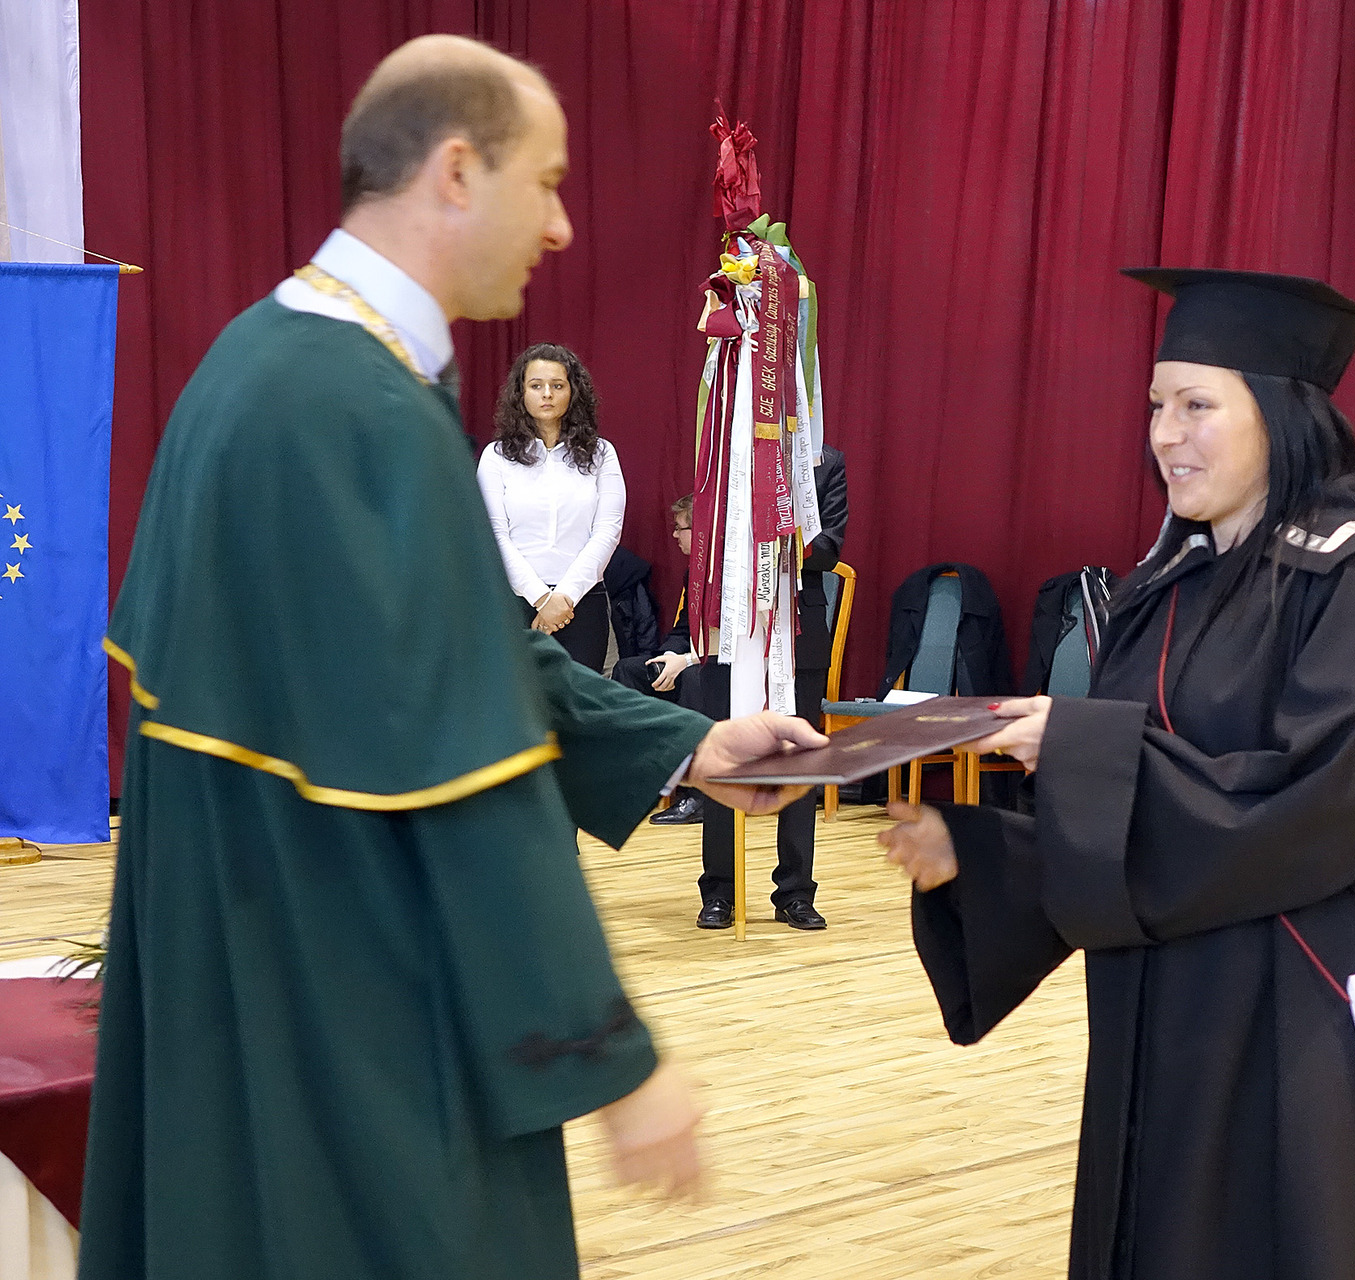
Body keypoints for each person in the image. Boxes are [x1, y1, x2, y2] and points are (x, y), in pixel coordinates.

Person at [80, 37, 824, 1280]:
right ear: (459, 171)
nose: (563, 226)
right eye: (548, 182)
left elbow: (459, 657)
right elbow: (473, 777)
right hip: (343, 993)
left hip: (240, 970)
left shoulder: (261, 361)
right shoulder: (362, 408)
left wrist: (688, 741)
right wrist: (608, 1055)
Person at [881, 268, 1355, 1280]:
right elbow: (1141, 801)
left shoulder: (1352, 576)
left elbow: (1326, 797)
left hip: (1298, 1012)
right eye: (1155, 404)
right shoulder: (1168, 577)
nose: (1163, 433)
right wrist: (984, 858)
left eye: (1196, 405)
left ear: (1281, 416)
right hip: (1168, 999)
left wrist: (1075, 742)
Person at [687, 443, 849, 929]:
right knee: (724, 753)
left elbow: (828, 549)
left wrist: (775, 538)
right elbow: (706, 540)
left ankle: (796, 891)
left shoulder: (825, 461)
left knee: (800, 758)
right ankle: (720, 891)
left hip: (799, 626)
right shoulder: (724, 446)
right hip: (733, 624)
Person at [478, 342, 623, 671]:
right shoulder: (496, 456)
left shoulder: (601, 454)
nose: (547, 394)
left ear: (573, 392)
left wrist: (564, 596)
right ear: (521, 393)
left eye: (557, 385)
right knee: (520, 701)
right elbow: (493, 534)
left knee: (579, 699)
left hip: (582, 601)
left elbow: (607, 530)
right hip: (514, 603)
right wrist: (541, 597)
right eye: (536, 385)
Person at [611, 495, 703, 824]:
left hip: (726, 667)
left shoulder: (734, 572)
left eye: (680, 528)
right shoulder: (693, 573)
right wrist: (669, 655)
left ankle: (698, 796)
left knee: (694, 678)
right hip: (692, 658)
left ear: (701, 530)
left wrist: (688, 661)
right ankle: (636, 784)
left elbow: (737, 640)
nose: (674, 535)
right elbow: (683, 629)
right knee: (630, 670)